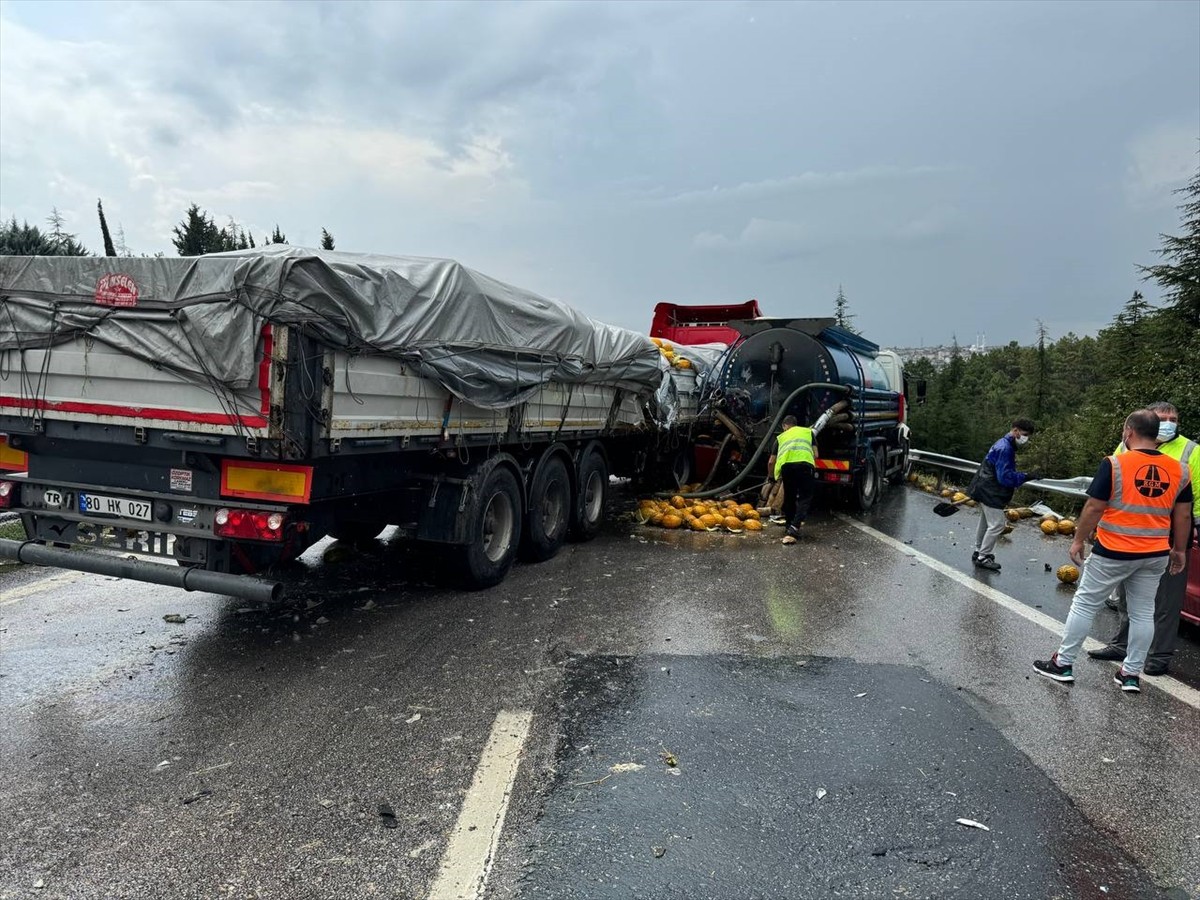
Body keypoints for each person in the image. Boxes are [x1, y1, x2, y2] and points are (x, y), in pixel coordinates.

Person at [1034, 409, 1192, 693]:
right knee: (1144, 613)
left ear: (1129, 431)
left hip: (1114, 550)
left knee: (1085, 604)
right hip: (1155, 552)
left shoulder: (1115, 464)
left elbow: (1095, 506)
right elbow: (1183, 515)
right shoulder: (1180, 469)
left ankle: (1063, 664)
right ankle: (1130, 675)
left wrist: (1078, 539)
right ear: (1156, 434)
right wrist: (1179, 550)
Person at [1088, 401, 1199, 675]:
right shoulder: (1128, 444)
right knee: (1128, 596)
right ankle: (1121, 645)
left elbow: (1194, 499)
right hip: (1130, 533)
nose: (1168, 423)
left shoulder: (1191, 451)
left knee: (1166, 602)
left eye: (1173, 418)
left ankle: (1158, 657)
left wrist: (1186, 537)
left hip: (1171, 533)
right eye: (1162, 418)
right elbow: (1114, 481)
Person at [967, 417, 1042, 571]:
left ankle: (978, 551)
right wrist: (1026, 476)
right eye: (1024, 434)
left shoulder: (1002, 443)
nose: (1026, 439)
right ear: (1015, 431)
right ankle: (983, 557)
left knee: (986, 523)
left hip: (983, 486)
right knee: (997, 525)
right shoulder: (1005, 449)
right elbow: (1005, 477)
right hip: (991, 490)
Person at [773, 415, 817, 546]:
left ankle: (788, 525)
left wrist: (772, 477)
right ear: (796, 424)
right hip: (805, 466)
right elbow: (816, 454)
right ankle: (795, 526)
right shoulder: (808, 432)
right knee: (805, 497)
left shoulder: (781, 437)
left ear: (784, 426)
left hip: (788, 468)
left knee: (790, 497)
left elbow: (771, 461)